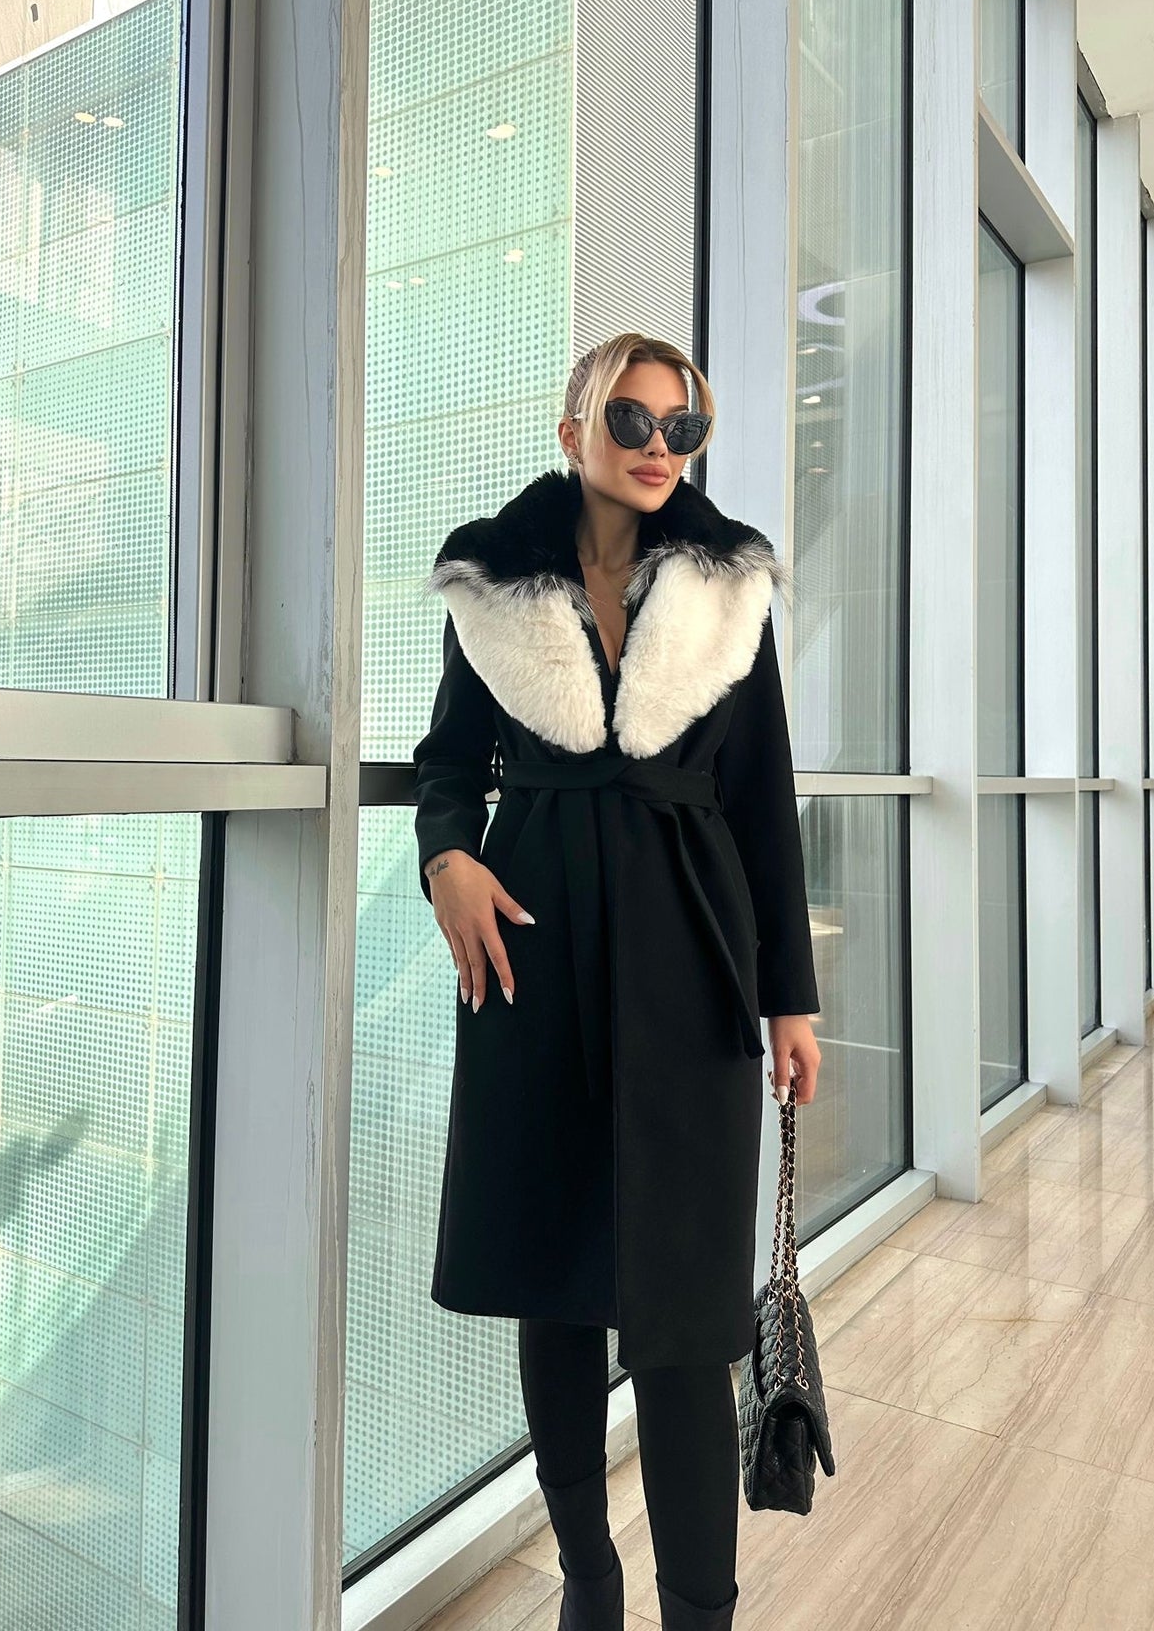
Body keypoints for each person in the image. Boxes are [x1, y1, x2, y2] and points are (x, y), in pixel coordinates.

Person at [412, 332, 822, 1631]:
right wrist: (448, 861)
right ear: (573, 428)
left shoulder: (728, 592)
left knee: (688, 1319)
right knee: (555, 1292)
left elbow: (763, 803)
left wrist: (789, 997)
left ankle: (700, 1610)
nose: (657, 447)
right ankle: (588, 1582)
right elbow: (446, 760)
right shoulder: (492, 587)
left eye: (680, 428)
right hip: (530, 962)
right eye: (631, 420)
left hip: (693, 964)